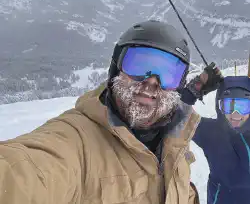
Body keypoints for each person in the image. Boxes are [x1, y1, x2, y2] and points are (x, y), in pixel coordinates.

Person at [0, 20, 222, 204]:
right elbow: (23, 174)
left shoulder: (173, 137)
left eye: (168, 74)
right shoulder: (77, 141)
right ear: (116, 70)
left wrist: (198, 86)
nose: (152, 82)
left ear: (178, 86)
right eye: (139, 65)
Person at [190, 75, 250, 204]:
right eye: (229, 106)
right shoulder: (211, 132)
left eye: (242, 106)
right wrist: (193, 90)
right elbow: (177, 114)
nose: (235, 114)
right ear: (219, 105)